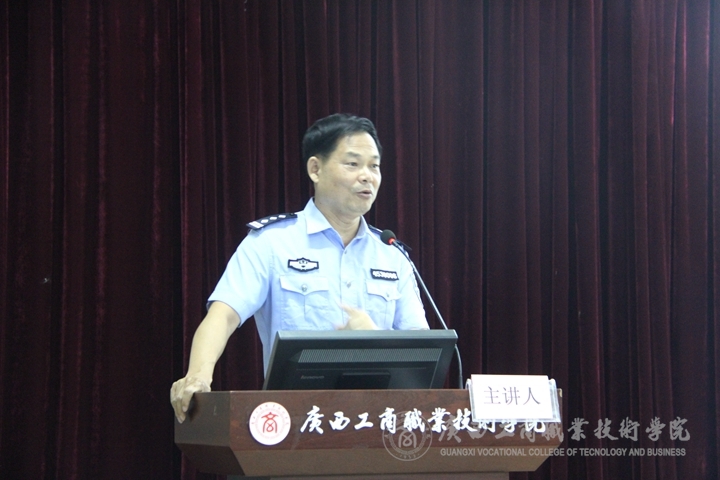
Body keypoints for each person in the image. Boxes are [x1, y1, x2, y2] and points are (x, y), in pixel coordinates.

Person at [170, 113, 429, 423]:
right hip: (295, 423)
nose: (367, 176)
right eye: (352, 164)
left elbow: (423, 352)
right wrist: (198, 376)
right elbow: (223, 314)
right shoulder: (272, 243)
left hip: (380, 425)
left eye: (374, 166)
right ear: (315, 169)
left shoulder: (392, 256)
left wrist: (375, 341)